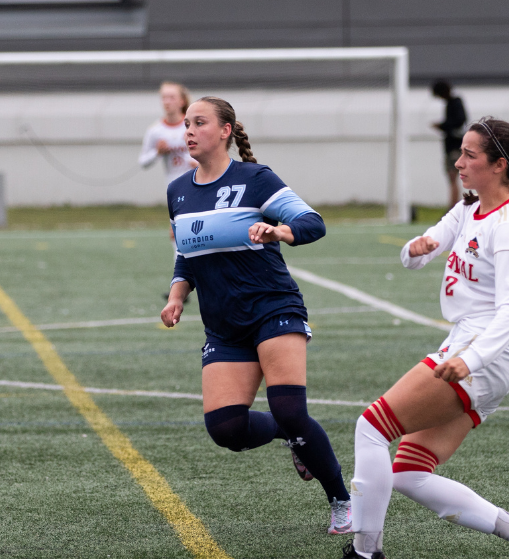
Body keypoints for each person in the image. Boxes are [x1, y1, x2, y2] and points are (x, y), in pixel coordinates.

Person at [307, 117, 509, 559]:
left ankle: (365, 555)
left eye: (470, 156)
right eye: (460, 153)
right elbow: (417, 256)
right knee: (408, 470)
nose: (458, 162)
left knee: (371, 426)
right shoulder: (469, 208)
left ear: (500, 166)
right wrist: (418, 248)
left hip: (483, 353)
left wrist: (469, 359)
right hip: (474, 351)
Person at [159, 96, 352, 534]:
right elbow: (186, 254)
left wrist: (277, 230)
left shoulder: (255, 179)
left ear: (226, 130)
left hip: (272, 308)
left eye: (199, 122)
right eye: (186, 124)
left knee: (289, 408)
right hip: (224, 325)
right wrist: (176, 296)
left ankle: (342, 498)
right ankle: (290, 439)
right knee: (226, 428)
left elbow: (312, 222)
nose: (188, 131)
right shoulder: (178, 191)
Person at [139, 81, 198, 264]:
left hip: (198, 183)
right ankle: (182, 281)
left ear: (181, 101)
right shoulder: (156, 131)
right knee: (177, 233)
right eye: (164, 97)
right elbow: (143, 161)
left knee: (197, 231)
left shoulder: (192, 125)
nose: (167, 101)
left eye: (171, 97)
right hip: (175, 188)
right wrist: (157, 152)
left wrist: (197, 162)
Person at [431, 80, 467, 208]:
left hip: (454, 146)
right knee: (452, 177)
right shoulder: (451, 103)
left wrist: (442, 126)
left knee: (454, 176)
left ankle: (453, 206)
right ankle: (454, 204)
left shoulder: (455, 102)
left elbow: (459, 121)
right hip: (451, 145)